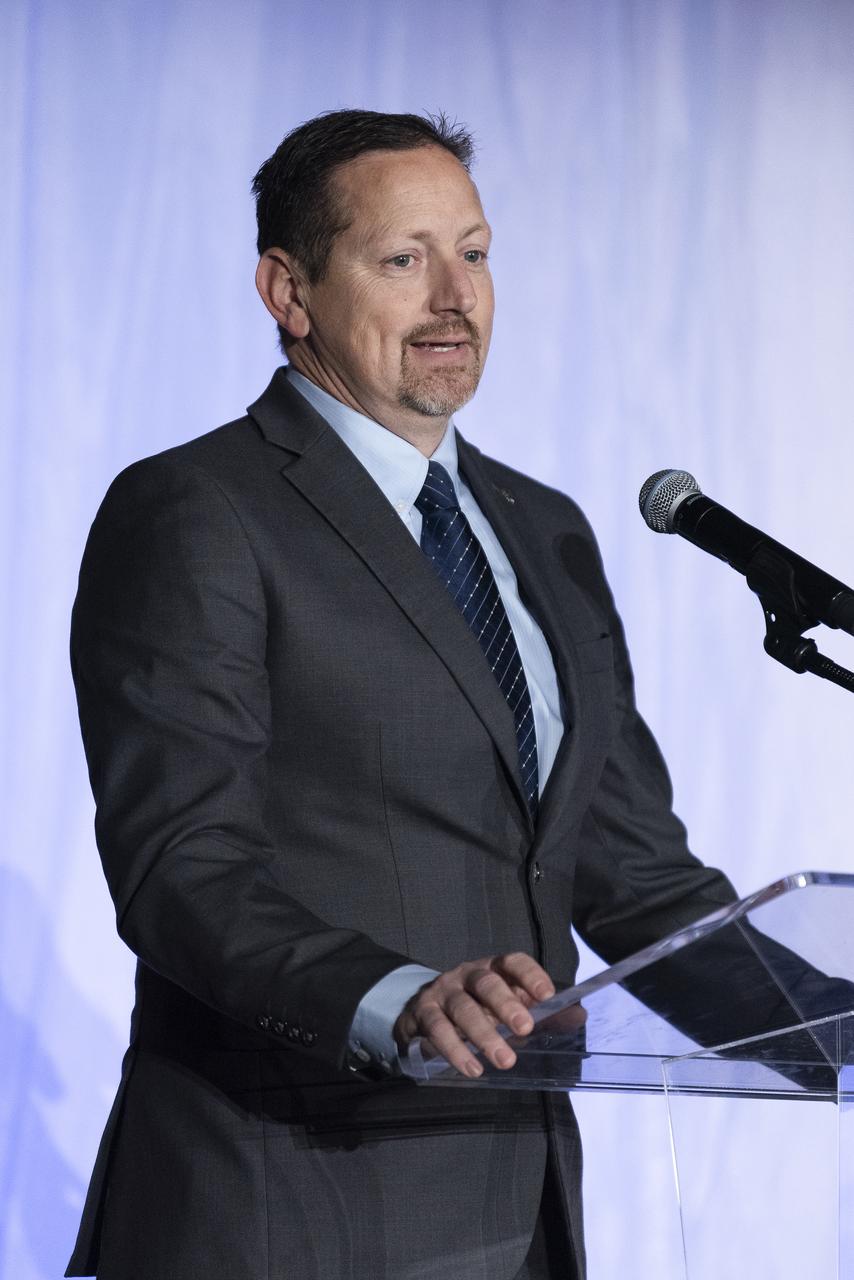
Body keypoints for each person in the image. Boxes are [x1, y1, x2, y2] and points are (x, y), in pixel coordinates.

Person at [66, 109, 738, 1280]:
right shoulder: (198, 511)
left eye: (472, 254)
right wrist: (399, 995)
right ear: (289, 289)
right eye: (401, 258)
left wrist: (827, 1016)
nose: (453, 299)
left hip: (514, 1207)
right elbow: (183, 866)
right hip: (282, 1195)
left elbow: (630, 874)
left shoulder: (545, 528)